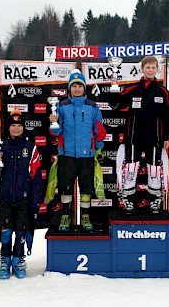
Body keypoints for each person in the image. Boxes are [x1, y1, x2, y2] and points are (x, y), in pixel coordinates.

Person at [109, 56, 169, 214]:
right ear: (142, 69)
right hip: (133, 137)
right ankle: (128, 201)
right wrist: (114, 88)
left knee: (154, 170)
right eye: (148, 67)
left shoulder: (163, 91)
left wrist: (166, 137)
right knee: (130, 169)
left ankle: (155, 201)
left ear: (157, 69)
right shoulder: (132, 90)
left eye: (153, 67)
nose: (150, 70)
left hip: (154, 138)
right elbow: (115, 105)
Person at [0, 109, 42, 279]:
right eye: (13, 125)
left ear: (23, 128)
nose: (16, 128)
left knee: (20, 232)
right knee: (5, 231)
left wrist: (35, 202)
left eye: (19, 125)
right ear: (8, 128)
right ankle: (4, 260)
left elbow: (37, 177)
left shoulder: (30, 148)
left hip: (23, 200)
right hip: (4, 199)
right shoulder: (0, 146)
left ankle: (18, 260)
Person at [50, 69, 106, 231]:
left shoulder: (92, 107)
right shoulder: (61, 106)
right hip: (67, 155)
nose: (76, 89)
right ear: (69, 88)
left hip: (87, 156)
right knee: (65, 187)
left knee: (86, 187)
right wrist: (53, 122)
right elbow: (56, 132)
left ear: (84, 88)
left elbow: (99, 130)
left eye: (79, 86)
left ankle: (85, 216)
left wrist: (99, 149)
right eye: (73, 86)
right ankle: (66, 215)